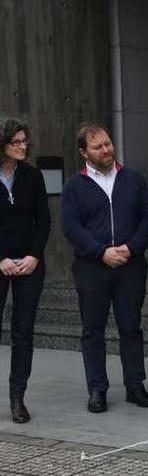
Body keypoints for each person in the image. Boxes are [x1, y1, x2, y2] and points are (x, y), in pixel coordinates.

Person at [61, 123, 148, 413]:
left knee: (131, 327)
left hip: (130, 265)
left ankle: (135, 385)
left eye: (107, 143)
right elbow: (71, 227)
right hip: (92, 268)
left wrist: (131, 247)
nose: (106, 149)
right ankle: (97, 389)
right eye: (97, 146)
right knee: (93, 330)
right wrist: (101, 252)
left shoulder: (134, 180)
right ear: (83, 152)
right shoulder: (74, 187)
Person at [0, 118, 50, 424]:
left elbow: (43, 222)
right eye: (16, 142)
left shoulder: (33, 177)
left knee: (23, 332)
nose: (22, 146)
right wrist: (1, 258)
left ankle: (18, 398)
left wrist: (34, 255)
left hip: (30, 264)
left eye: (24, 141)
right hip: (0, 262)